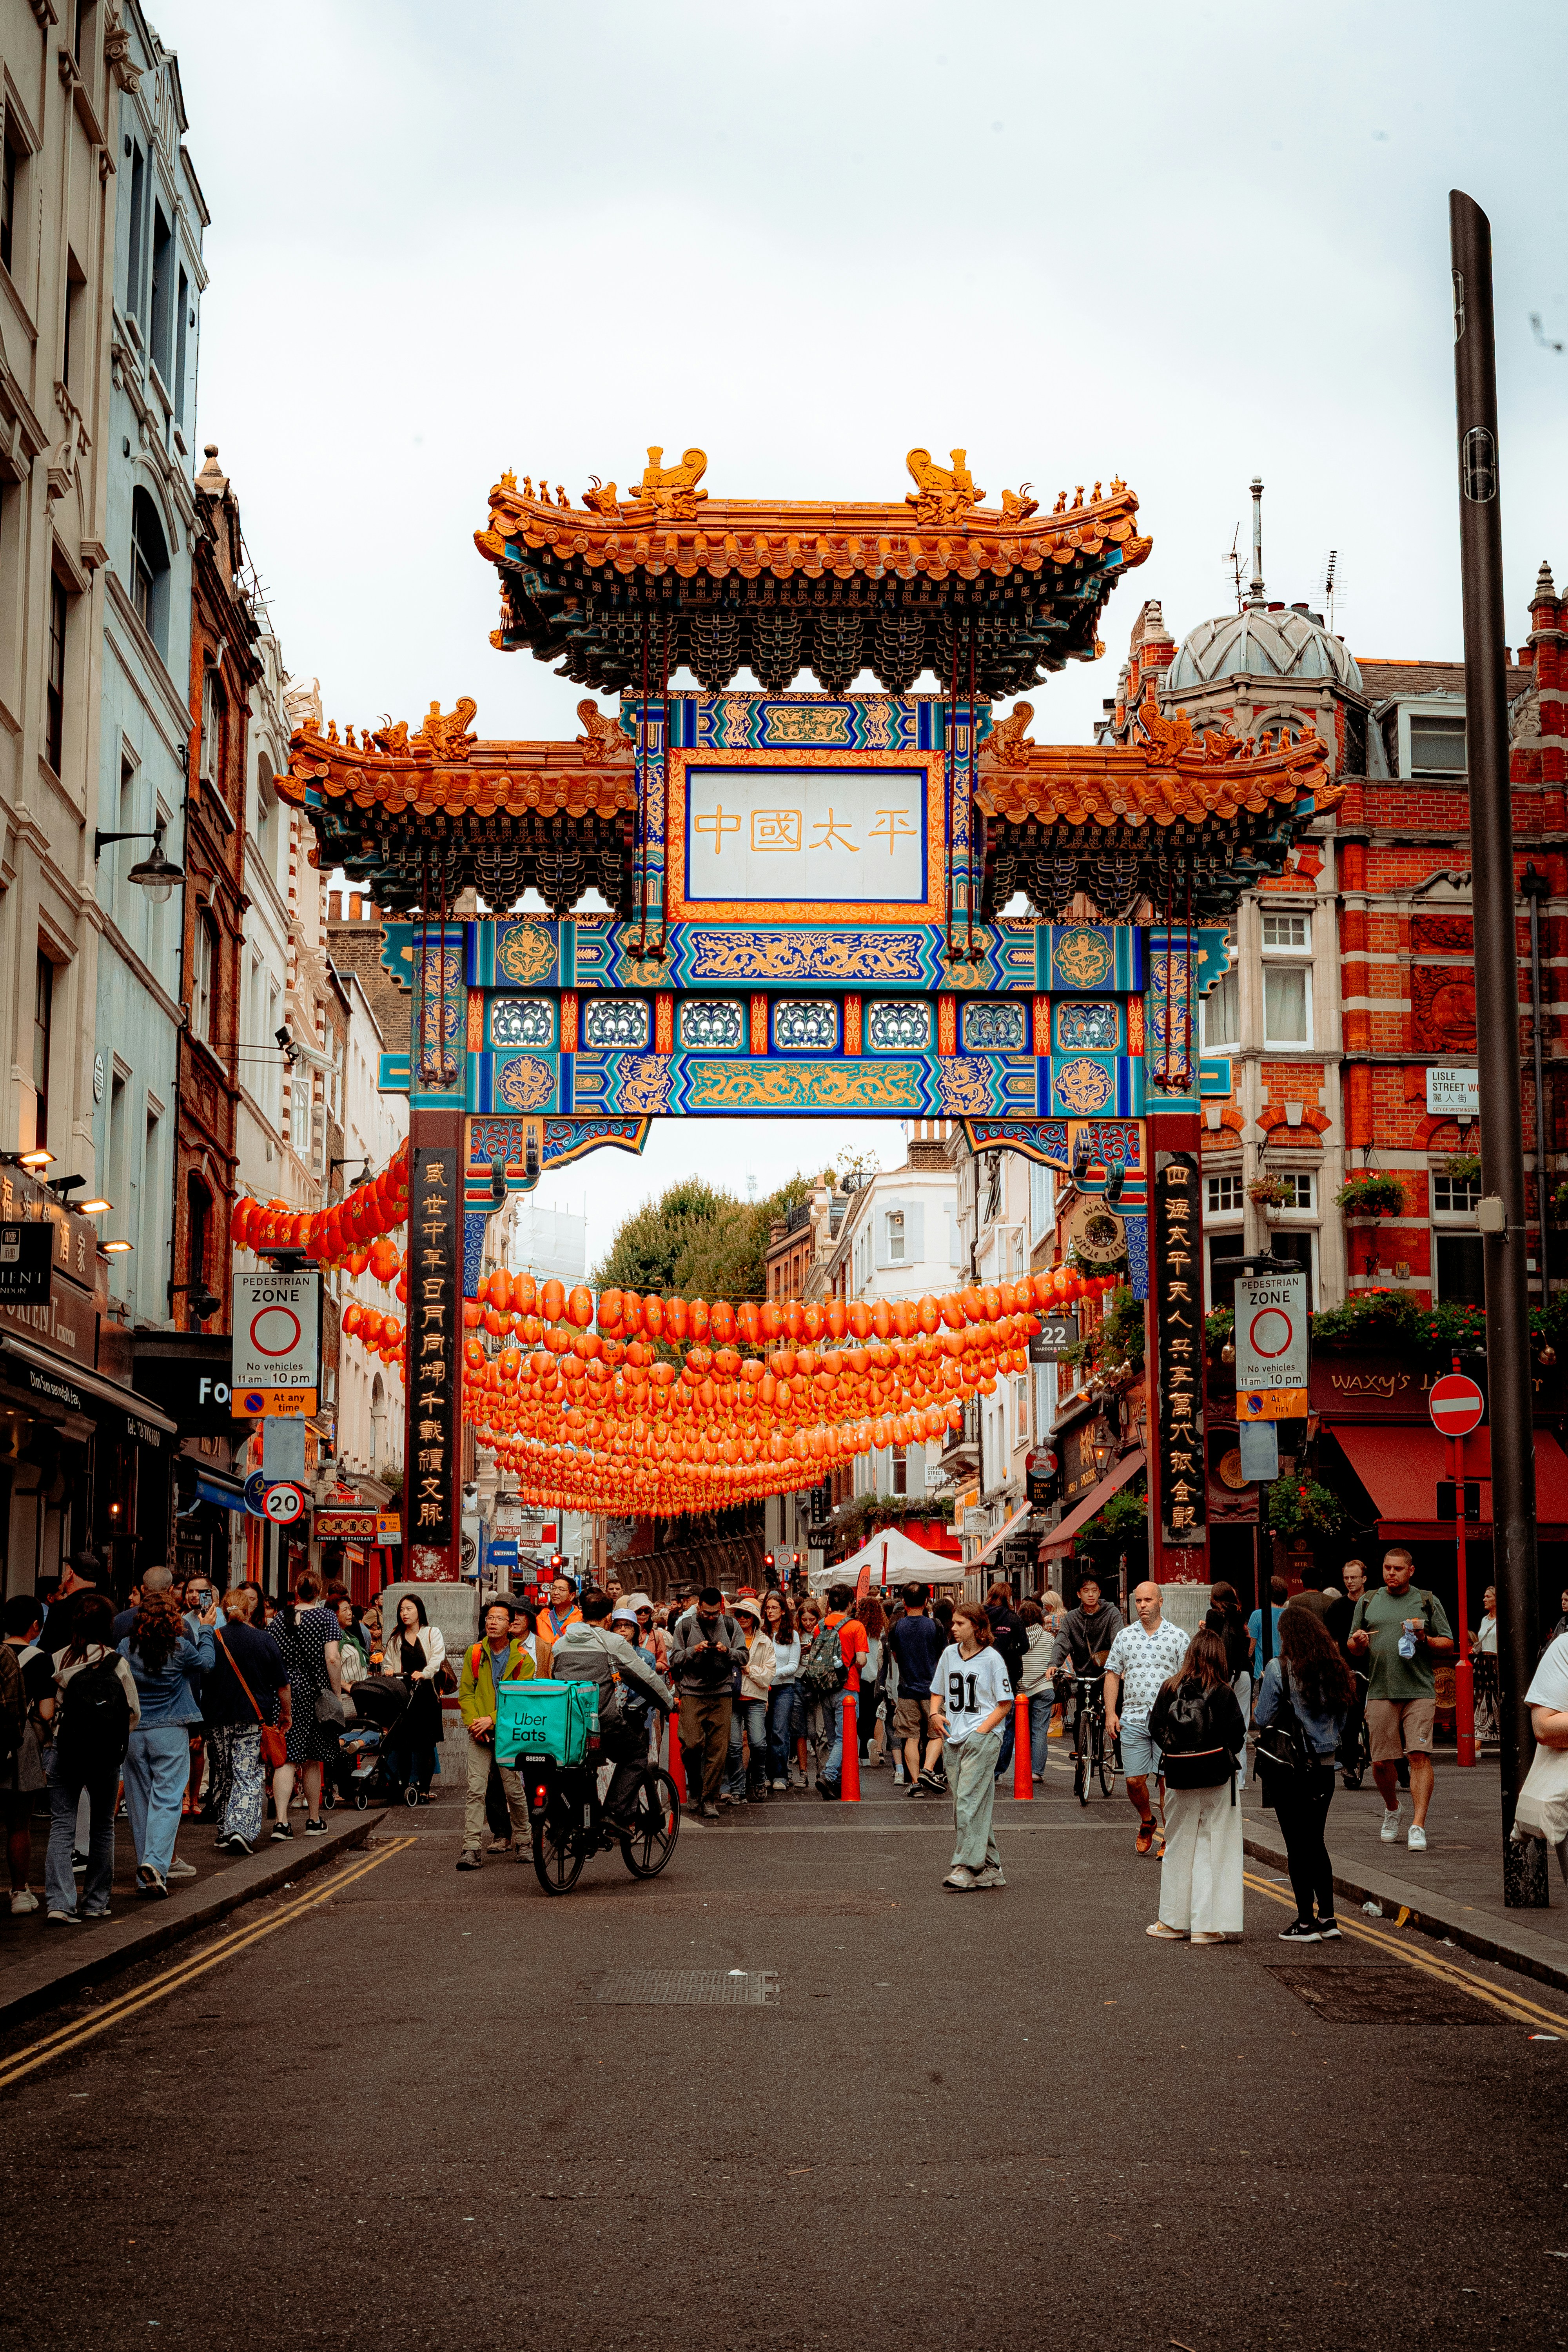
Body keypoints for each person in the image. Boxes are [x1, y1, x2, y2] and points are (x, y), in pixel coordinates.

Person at [1254, 1606, 1354, 1942]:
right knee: (1316, 1842)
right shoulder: (1336, 1668)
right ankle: (1328, 1918)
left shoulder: (1279, 1668)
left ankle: (1305, 1922)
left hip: (1291, 1768)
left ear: (1288, 1635)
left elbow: (1263, 1716)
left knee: (1297, 1846)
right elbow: (1342, 1721)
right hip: (1325, 1767)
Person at [1348, 1545, 1454, 1850]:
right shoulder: (1369, 1601)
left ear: (1411, 1571)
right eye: (1387, 1568)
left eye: (1397, 1569)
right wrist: (1358, 1642)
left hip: (1419, 1691)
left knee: (1418, 1756)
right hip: (1381, 1690)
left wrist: (1425, 1639)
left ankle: (1418, 1825)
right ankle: (1393, 1809)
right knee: (1380, 1763)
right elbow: (1353, 1646)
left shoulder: (1427, 1601)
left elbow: (1448, 1644)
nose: (1391, 1573)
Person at [1145, 1627, 1247, 1944]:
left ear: (1190, 1655)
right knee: (1215, 1848)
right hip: (1217, 1779)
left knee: (1178, 1846)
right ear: (1220, 1657)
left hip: (1179, 1777)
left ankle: (1172, 1923)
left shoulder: (1169, 1688)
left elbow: (1155, 1727)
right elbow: (1238, 1736)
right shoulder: (1224, 1692)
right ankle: (1207, 1926)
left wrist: (1179, 1752)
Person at [46, 1593, 140, 1922]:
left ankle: (59, 1902)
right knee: (103, 1827)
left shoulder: (59, 1660)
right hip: (104, 1757)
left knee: (62, 1825)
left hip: (66, 1751)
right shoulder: (118, 1663)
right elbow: (133, 1713)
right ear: (109, 1626)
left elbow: (49, 1711)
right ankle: (96, 1902)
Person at [119, 1588, 216, 1897]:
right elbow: (207, 1665)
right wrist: (206, 1630)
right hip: (171, 1730)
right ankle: (155, 1865)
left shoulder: (125, 1646)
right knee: (168, 1800)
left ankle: (145, 1874)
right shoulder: (181, 1648)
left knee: (138, 1803)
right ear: (173, 1618)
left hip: (135, 1731)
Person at [552, 1592, 675, 1825]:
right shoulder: (613, 1643)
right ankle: (613, 1811)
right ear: (609, 1618)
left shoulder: (561, 1644)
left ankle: (583, 1820)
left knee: (581, 1767)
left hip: (569, 1723)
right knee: (636, 1754)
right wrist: (668, 1702)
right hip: (602, 1722)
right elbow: (645, 1678)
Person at [929, 1601, 1013, 1891]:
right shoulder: (950, 1654)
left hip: (982, 1738)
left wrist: (982, 1730)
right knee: (969, 1804)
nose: (953, 1629)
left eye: (960, 1624)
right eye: (953, 1623)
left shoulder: (992, 1659)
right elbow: (937, 1691)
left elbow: (1005, 1704)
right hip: (952, 1736)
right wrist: (934, 1714)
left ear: (976, 1627)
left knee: (967, 1801)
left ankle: (965, 1866)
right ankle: (991, 1867)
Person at [1104, 1582, 1190, 1855]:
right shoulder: (1125, 1637)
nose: (1142, 1606)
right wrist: (1110, 1713)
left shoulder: (1178, 1637)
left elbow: (1187, 1679)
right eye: (1138, 1601)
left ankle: (1170, 1836)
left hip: (1168, 1721)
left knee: (1167, 1783)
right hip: (1133, 1718)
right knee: (1133, 1782)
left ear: (1160, 1602)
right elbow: (1113, 1675)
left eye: (1148, 1601)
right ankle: (1147, 1820)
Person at [205, 1588, 290, 1856]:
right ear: (250, 1610)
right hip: (253, 1718)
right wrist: (286, 1714)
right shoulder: (263, 1639)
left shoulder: (213, 1639)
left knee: (223, 1772)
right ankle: (240, 1829)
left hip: (217, 1718)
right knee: (248, 1773)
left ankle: (223, 1830)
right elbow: (282, 1685)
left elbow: (202, 1678)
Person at [456, 1600, 535, 1870]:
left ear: (511, 1625)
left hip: (508, 1733)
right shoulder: (475, 1653)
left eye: (500, 1619)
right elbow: (466, 1693)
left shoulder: (524, 1660)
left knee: (514, 1790)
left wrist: (491, 1720)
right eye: (490, 1618)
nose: (493, 1623)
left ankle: (525, 1842)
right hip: (479, 1732)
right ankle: (471, 1848)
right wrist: (474, 1724)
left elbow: (519, 1702)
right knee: (476, 1790)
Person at [269, 1573, 347, 1837]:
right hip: (316, 1693)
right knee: (313, 1760)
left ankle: (281, 1822)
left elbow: (273, 1657)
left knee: (286, 1760)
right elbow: (333, 1659)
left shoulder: (281, 1618)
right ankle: (314, 1820)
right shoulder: (326, 1618)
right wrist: (336, 1693)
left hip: (286, 1692)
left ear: (296, 1590)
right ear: (319, 1591)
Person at [670, 1587, 747, 1819]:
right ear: (699, 1607)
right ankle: (695, 1783)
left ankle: (708, 1798)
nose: (711, 1618)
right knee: (692, 1744)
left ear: (721, 1609)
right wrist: (694, 1650)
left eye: (715, 1614)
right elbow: (674, 1658)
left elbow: (744, 1657)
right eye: (707, 1613)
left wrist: (728, 1652)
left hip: (722, 1693)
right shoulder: (684, 1626)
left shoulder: (731, 1626)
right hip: (693, 1692)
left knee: (719, 1751)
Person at [4, 1593, 56, 1915]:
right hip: (18, 1744)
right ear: (36, 1626)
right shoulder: (40, 1659)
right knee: (18, 1824)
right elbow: (47, 1712)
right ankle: (20, 1893)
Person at [1047, 1571, 1125, 1750]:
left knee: (1115, 1714)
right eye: (1086, 1591)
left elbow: (1119, 1641)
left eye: (1094, 1591)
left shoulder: (1112, 1614)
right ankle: (1081, 1758)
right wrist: (1054, 1664)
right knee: (1079, 1716)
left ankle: (1120, 1758)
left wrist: (1121, 1667)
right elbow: (1062, 1642)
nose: (1091, 1595)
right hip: (1084, 1676)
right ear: (1079, 1594)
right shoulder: (1072, 1618)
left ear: (1100, 1593)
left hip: (1109, 1675)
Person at [888, 1581, 949, 1798]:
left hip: (906, 1689)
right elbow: (943, 1656)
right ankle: (928, 1770)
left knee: (911, 1737)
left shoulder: (896, 1627)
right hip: (933, 1690)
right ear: (926, 1602)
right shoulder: (936, 1626)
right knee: (938, 1734)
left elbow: (895, 1655)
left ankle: (915, 1783)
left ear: (903, 1602)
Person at [382, 1593, 444, 1805]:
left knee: (427, 1744)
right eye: (401, 1610)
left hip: (426, 1694)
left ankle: (424, 1789)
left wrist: (425, 1673)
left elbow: (438, 1657)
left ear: (419, 1611)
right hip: (403, 1696)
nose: (405, 1613)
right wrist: (389, 1670)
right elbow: (388, 1663)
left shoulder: (431, 1633)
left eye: (409, 1609)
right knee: (404, 1743)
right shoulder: (396, 1638)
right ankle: (405, 1786)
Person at [815, 1583, 869, 1801]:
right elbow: (863, 1660)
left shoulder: (820, 1626)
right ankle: (828, 1776)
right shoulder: (856, 1627)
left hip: (824, 1688)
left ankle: (836, 1782)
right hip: (848, 1687)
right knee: (845, 1738)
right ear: (850, 1604)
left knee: (831, 1737)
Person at [725, 1596, 774, 1802]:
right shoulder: (727, 1640)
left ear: (755, 1618)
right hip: (732, 1697)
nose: (743, 1618)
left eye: (747, 1615)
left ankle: (759, 1780)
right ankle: (738, 1789)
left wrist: (748, 1670)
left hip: (755, 1697)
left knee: (758, 1743)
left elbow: (769, 1674)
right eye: (739, 1614)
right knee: (734, 1745)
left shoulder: (764, 1642)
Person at [1205, 1582, 1253, 1789]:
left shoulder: (1213, 1615)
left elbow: (1212, 1645)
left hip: (1221, 1676)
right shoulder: (1239, 1615)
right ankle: (1240, 1778)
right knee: (1240, 1724)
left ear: (1214, 1598)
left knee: (1216, 1722)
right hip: (1242, 1676)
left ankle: (1219, 1770)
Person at [1327, 1559, 1370, 1783]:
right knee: (1350, 1716)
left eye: (1354, 1578)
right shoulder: (1337, 1607)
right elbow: (1333, 1642)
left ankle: (1400, 1767)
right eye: (1346, 1578)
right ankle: (1350, 1765)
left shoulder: (1374, 1603)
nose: (1350, 1582)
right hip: (1347, 1669)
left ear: (1364, 1579)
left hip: (1374, 1666)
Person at [760, 1591, 799, 1793]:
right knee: (763, 1733)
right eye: (767, 1608)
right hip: (762, 1689)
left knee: (780, 1731)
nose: (770, 1611)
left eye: (774, 1608)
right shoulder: (761, 1633)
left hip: (784, 1688)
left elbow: (793, 1665)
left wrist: (771, 1675)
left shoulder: (793, 1635)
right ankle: (765, 1775)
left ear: (784, 1611)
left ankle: (780, 1775)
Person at [1014, 1602, 1056, 1782]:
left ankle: (1023, 1766)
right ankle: (1037, 1772)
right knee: (1040, 1731)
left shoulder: (1017, 1639)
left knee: (1022, 1732)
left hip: (1022, 1692)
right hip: (1044, 1687)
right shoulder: (1049, 1638)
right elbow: (1057, 1661)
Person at [855, 1595, 886, 1766]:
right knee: (873, 1717)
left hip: (861, 1676)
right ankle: (868, 1748)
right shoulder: (881, 1630)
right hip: (877, 1678)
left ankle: (865, 1749)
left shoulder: (857, 1628)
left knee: (861, 1717)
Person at [537, 1574, 582, 1677]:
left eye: (561, 1590)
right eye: (554, 1589)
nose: (555, 1593)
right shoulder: (541, 1619)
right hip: (544, 1678)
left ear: (572, 1596)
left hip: (571, 1676)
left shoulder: (581, 1621)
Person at [1248, 1576, 1288, 1681]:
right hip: (1286, 1670)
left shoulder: (1257, 1615)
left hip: (1263, 1672)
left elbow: (1251, 1646)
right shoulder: (1289, 1615)